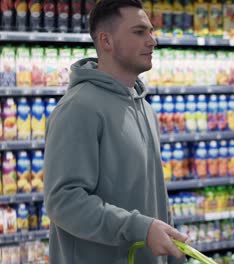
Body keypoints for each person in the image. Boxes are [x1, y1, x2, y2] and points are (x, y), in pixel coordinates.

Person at [44, 0, 188, 263]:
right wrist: (139, 228)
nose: (152, 41)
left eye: (151, 31)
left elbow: (152, 194)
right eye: (139, 32)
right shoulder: (79, 108)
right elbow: (63, 202)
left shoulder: (144, 107)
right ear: (106, 41)